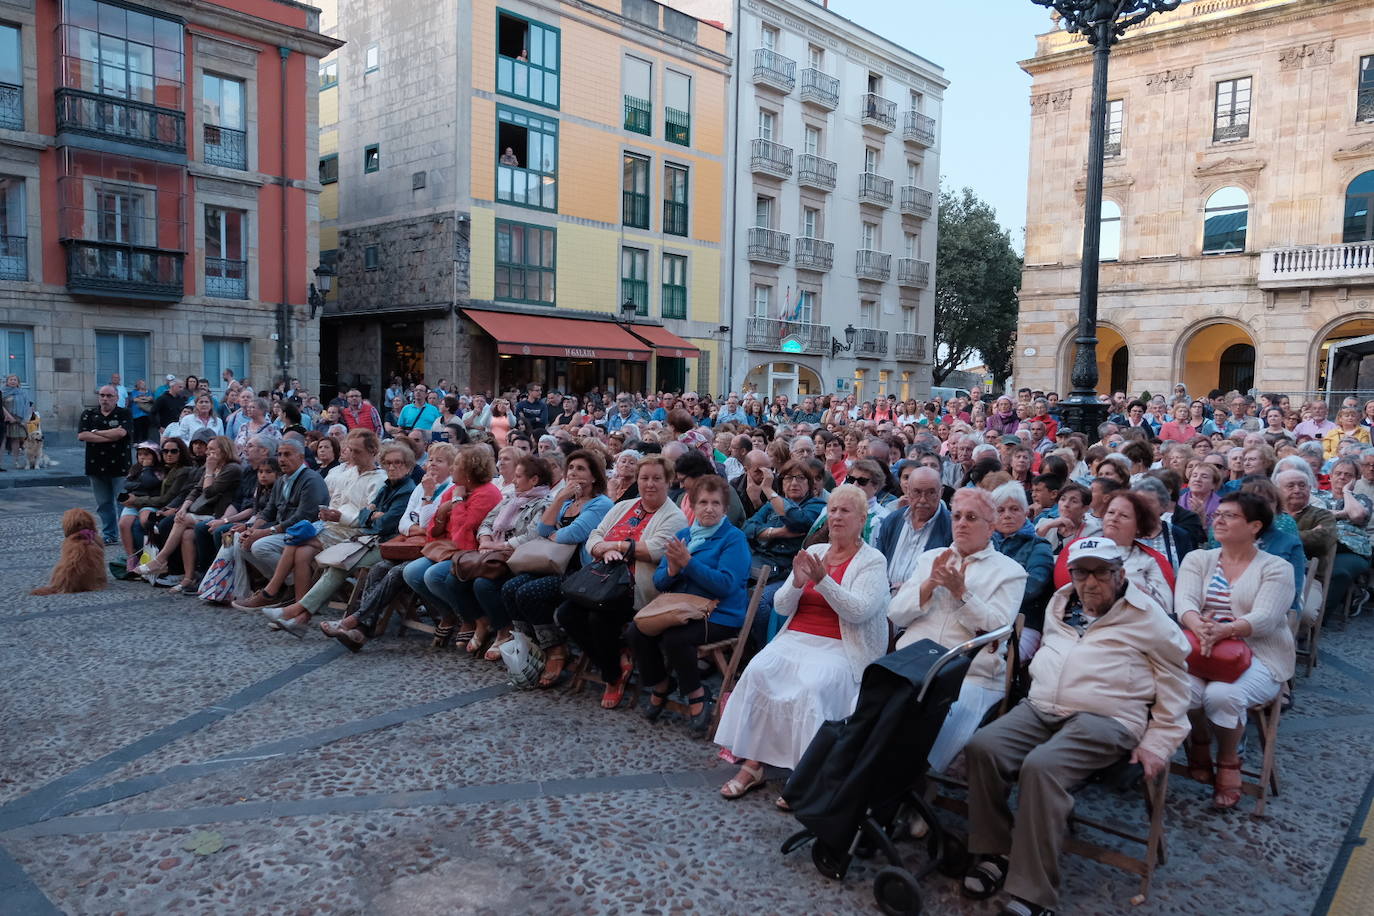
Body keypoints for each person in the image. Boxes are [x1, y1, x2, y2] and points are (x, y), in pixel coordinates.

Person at [961, 538, 1191, 916]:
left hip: (1109, 717)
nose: (1091, 581)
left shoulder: (1147, 615)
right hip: (1042, 707)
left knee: (1042, 767)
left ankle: (1033, 894)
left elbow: (1177, 682)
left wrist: (1159, 742)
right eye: (1082, 572)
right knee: (983, 747)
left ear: (1119, 574)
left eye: (1101, 572)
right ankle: (997, 851)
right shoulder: (1061, 601)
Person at [714, 485, 889, 802]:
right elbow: (781, 607)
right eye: (833, 509)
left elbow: (859, 612)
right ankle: (753, 763)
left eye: (845, 510)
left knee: (813, 685)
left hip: (842, 645)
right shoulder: (817, 551)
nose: (836, 516)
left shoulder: (872, 561)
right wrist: (796, 582)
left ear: (862, 518)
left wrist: (823, 581)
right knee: (759, 670)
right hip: (797, 636)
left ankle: (804, 773)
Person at [890, 488, 1028, 773]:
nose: (961, 523)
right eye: (957, 516)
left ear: (990, 527)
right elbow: (896, 613)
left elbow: (998, 630)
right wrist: (928, 585)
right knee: (872, 710)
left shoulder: (1010, 572)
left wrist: (961, 593)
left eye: (971, 517)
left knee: (934, 725)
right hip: (912, 664)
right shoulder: (932, 558)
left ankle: (915, 792)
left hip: (968, 676)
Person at [1178, 492, 1295, 808]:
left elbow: (1267, 617)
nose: (1219, 519)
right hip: (1202, 647)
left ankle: (1229, 758)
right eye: (1218, 514)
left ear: (1255, 525)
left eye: (1230, 516)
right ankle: (1200, 740)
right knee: (1183, 690)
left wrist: (1227, 629)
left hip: (1258, 652)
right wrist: (1197, 624)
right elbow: (1184, 602)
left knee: (1221, 695)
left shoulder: (1276, 567)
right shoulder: (1198, 559)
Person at [557, 455, 687, 709]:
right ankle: (616, 659)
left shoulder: (674, 517)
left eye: (657, 478)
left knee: (598, 618)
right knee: (566, 614)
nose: (650, 484)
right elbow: (594, 537)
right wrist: (603, 550)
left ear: (669, 481)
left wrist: (616, 545)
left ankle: (612, 677)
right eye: (644, 478)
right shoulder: (623, 507)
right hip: (602, 582)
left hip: (637, 590)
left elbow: (655, 549)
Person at [631, 474, 752, 736]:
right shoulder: (683, 535)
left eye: (716, 503)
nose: (709, 509)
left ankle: (697, 694)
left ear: (724, 508)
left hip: (720, 614)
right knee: (636, 630)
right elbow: (660, 582)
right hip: (681, 608)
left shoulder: (733, 539)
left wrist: (689, 564)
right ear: (693, 506)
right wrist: (673, 570)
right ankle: (662, 683)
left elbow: (726, 585)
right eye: (703, 502)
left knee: (676, 638)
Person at [271, 441, 418, 636]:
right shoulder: (387, 486)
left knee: (340, 563)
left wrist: (374, 515)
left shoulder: (406, 489)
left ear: (408, 466)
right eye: (388, 463)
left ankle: (297, 613)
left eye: (398, 463)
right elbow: (366, 514)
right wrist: (372, 515)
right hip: (371, 540)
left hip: (387, 545)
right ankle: (300, 617)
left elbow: (385, 524)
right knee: (337, 564)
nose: (392, 467)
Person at [236, 429, 385, 616]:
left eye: (357, 451)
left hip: (356, 533)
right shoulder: (348, 474)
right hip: (334, 526)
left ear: (372, 452)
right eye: (351, 450)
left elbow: (367, 516)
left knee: (295, 540)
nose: (352, 456)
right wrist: (328, 513)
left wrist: (338, 517)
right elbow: (337, 501)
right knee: (301, 551)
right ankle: (299, 607)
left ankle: (273, 593)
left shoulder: (379, 480)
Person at [499, 449, 614, 685]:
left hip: (581, 571)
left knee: (529, 593)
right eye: (570, 468)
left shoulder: (601, 504)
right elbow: (543, 530)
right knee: (510, 589)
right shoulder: (567, 501)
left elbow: (572, 534)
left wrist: (555, 532)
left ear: (594, 476)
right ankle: (533, 647)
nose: (574, 473)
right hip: (553, 565)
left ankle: (556, 649)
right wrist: (561, 498)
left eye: (581, 469)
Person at [458, 455, 554, 658]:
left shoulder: (545, 503)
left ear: (534, 480)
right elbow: (487, 522)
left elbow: (532, 535)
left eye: (519, 476)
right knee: (453, 577)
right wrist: (485, 539)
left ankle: (505, 629)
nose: (515, 480)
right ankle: (481, 620)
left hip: (519, 560)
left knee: (483, 584)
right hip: (493, 554)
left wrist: (498, 545)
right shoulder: (511, 498)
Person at [133, 436, 242, 592]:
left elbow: (209, 492)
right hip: (201, 512)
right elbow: (195, 491)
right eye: (208, 449)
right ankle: (188, 578)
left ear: (224, 450)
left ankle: (160, 560)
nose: (208, 453)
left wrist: (210, 471)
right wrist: (183, 507)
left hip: (218, 514)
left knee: (180, 521)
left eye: (212, 450)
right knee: (186, 535)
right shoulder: (209, 467)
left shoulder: (231, 469)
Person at [232, 439, 330, 593]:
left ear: (300, 457)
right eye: (279, 455)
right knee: (241, 541)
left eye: (287, 454)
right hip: (283, 531)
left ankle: (291, 586)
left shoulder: (311, 480)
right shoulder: (282, 480)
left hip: (305, 533)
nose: (282, 459)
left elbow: (303, 518)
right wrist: (253, 530)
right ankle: (283, 585)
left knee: (260, 547)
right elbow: (268, 511)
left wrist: (264, 532)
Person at [991, 482, 1056, 661]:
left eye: (1014, 509)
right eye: (1000, 510)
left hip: (1023, 622)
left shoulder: (1039, 546)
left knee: (993, 661)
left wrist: (987, 592)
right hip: (982, 617)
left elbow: (1032, 586)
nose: (1007, 516)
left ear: (1026, 512)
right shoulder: (984, 544)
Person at [875, 464, 952, 592]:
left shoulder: (951, 528)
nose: (923, 500)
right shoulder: (893, 521)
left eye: (931, 492)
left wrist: (911, 590)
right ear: (908, 491)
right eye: (917, 492)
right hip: (887, 602)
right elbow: (878, 563)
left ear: (941, 493)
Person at [79, 385, 134, 544]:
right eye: (102, 395)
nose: (105, 399)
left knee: (123, 501)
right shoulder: (89, 414)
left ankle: (127, 533)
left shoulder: (124, 413)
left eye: (109, 396)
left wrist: (95, 433)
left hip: (120, 465)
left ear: (116, 398)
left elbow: (122, 433)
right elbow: (82, 435)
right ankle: (110, 534)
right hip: (95, 465)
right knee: (103, 504)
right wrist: (111, 436)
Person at [1, 373, 33, 469]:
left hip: (18, 420)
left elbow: (27, 406)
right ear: (7, 382)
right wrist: (7, 416)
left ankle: (16, 462)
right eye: (11, 379)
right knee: (2, 440)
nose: (13, 381)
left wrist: (25, 419)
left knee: (16, 440)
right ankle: (0, 463)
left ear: (18, 382)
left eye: (15, 380)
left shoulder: (22, 393)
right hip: (4, 419)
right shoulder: (2, 392)